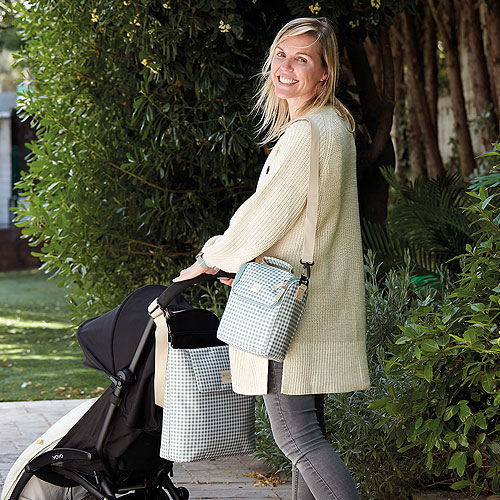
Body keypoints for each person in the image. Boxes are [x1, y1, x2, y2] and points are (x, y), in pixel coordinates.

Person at [173, 17, 370, 500]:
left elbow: (266, 215)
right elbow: (300, 221)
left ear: (324, 73)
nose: (286, 66)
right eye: (281, 54)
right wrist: (241, 263)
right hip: (313, 302)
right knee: (308, 435)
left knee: (297, 439)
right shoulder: (333, 126)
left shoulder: (308, 133)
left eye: (302, 59)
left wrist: (213, 256)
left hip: (289, 313)